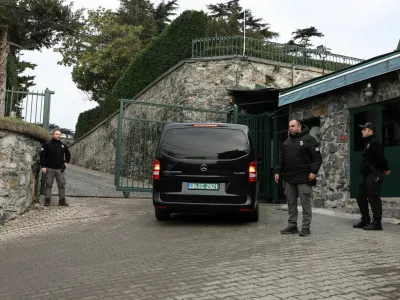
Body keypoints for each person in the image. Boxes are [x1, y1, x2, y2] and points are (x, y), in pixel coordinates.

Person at [274, 119, 322, 237]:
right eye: (289, 126)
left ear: (299, 127)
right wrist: (277, 171)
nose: (290, 128)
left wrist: (313, 172)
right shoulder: (286, 142)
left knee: (305, 203)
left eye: (293, 126)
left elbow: (317, 158)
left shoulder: (309, 140)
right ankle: (292, 226)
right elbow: (282, 159)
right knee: (291, 203)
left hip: (304, 178)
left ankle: (306, 228)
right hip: (289, 178)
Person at [353, 122, 390, 230]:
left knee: (373, 197)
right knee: (360, 196)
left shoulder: (375, 143)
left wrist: (385, 169)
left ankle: (377, 223)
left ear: (370, 131)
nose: (362, 131)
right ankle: (365, 219)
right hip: (366, 175)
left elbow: (382, 158)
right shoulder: (368, 143)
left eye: (364, 129)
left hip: (374, 174)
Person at [40, 129, 71, 206]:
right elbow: (42, 156)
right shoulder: (47, 144)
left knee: (62, 185)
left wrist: (66, 162)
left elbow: (68, 155)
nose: (58, 136)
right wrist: (43, 166)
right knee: (48, 185)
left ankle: (62, 201)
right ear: (53, 135)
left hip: (60, 169)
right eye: (57, 134)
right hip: (49, 168)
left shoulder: (63, 145)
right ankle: (47, 200)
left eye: (60, 134)